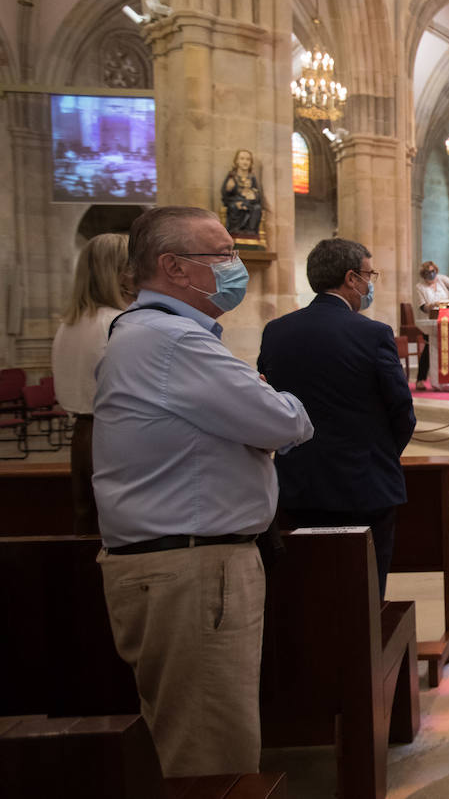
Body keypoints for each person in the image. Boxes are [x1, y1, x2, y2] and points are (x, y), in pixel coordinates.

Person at [93, 206, 314, 777]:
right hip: (190, 569)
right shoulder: (171, 342)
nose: (236, 265)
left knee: (197, 743)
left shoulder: (148, 335)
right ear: (173, 267)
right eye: (222, 254)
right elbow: (285, 421)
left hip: (180, 562)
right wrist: (274, 404)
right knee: (212, 759)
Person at [258, 238, 415, 597]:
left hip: (297, 484)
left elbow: (268, 398)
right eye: (368, 274)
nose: (369, 283)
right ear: (350, 278)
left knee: (309, 591)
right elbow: (401, 411)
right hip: (365, 484)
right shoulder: (372, 333)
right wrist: (380, 453)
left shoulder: (277, 331)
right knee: (363, 592)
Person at [51, 233, 131, 533]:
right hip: (113, 433)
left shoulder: (69, 323)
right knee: (118, 527)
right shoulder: (116, 323)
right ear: (119, 273)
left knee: (88, 521)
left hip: (82, 432)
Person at [413, 261, 449, 390]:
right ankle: (421, 379)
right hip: (431, 319)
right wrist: (434, 304)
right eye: (428, 272)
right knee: (429, 349)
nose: (432, 274)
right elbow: (423, 307)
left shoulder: (441, 279)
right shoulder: (420, 287)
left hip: (448, 317)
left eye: (433, 271)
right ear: (424, 275)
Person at [220, 149, 263, 238]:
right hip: (235, 204)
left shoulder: (252, 177)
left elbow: (258, 197)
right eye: (242, 159)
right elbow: (225, 196)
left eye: (248, 159)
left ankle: (251, 232)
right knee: (233, 206)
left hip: (249, 204)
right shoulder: (232, 176)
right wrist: (229, 189)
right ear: (237, 161)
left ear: (251, 163)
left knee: (257, 208)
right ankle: (235, 231)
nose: (245, 162)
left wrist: (253, 196)